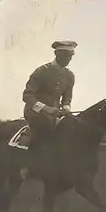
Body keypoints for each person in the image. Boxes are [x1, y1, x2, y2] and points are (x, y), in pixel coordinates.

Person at [22, 40, 77, 172]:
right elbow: (27, 96)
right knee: (44, 127)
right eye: (66, 55)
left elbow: (67, 97)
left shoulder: (70, 76)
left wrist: (66, 107)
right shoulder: (41, 71)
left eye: (71, 56)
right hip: (35, 113)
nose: (69, 59)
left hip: (56, 114)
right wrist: (46, 109)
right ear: (57, 54)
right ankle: (28, 166)